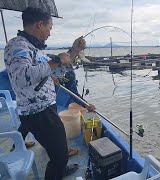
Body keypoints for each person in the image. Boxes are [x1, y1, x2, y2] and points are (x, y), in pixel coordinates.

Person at [4, 7, 95, 179]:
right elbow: (22, 77)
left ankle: (59, 167)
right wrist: (56, 62)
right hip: (38, 113)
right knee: (61, 154)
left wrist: (74, 51)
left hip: (45, 108)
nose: (50, 33)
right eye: (49, 28)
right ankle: (58, 167)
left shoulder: (33, 48)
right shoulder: (17, 46)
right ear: (40, 24)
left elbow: (54, 70)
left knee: (57, 149)